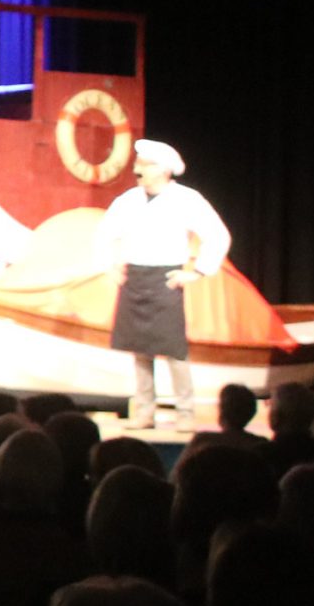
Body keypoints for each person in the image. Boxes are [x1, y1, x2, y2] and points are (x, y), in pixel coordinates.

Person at [95, 139, 230, 429]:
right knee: (139, 350)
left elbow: (217, 235)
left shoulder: (186, 199)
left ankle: (186, 413)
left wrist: (197, 272)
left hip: (165, 278)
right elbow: (104, 234)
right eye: (138, 163)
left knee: (173, 349)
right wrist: (110, 265)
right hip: (135, 277)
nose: (138, 169)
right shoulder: (128, 200)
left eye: (145, 164)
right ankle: (144, 412)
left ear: (164, 170)